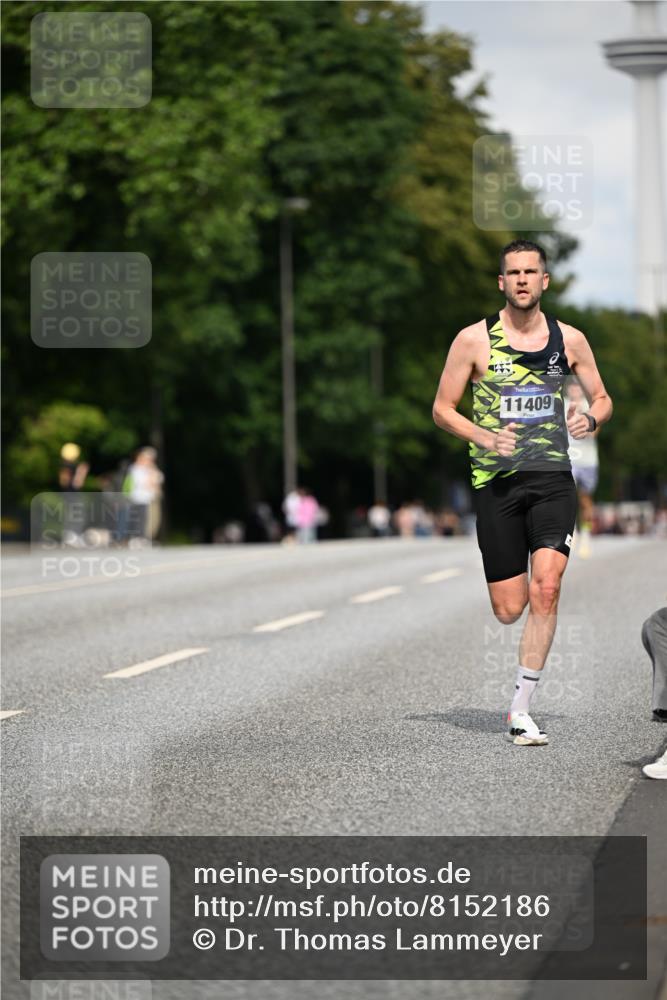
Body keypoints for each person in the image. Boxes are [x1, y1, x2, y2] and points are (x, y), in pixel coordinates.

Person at [433, 239, 612, 746]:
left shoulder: (569, 340)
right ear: (502, 282)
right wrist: (485, 436)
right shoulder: (473, 341)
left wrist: (591, 417)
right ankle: (518, 697)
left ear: (544, 281)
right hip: (497, 484)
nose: (522, 280)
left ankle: (520, 710)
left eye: (531, 272)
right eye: (513, 273)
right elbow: (442, 409)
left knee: (547, 588)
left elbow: (602, 396)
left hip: (553, 478)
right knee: (509, 608)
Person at [565, 377, 599, 558]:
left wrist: (586, 421)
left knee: (585, 500)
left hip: (588, 460)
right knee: (568, 495)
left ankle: (585, 534)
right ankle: (573, 532)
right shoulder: (562, 406)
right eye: (573, 388)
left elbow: (594, 432)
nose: (575, 391)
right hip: (569, 459)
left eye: (578, 388)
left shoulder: (589, 407)